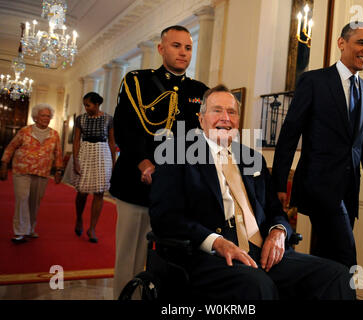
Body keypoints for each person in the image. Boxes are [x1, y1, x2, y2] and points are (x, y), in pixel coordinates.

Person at [149, 84, 356, 300]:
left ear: (238, 121)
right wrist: (216, 242)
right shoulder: (176, 154)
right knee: (258, 286)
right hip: (209, 255)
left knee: (337, 275)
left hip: (262, 252)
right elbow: (165, 217)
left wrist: (278, 232)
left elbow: (276, 211)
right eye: (217, 110)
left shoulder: (253, 160)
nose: (225, 118)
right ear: (201, 119)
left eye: (232, 112)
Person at [272, 22, 363, 268]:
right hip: (318, 187)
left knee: (325, 259)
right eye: (361, 42)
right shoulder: (314, 81)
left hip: (349, 191)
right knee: (347, 257)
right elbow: (289, 134)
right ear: (342, 43)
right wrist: (279, 184)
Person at [110, 25, 209, 299]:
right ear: (161, 48)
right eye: (176, 46)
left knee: (169, 256)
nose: (183, 52)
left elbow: (198, 140)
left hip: (176, 191)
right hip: (136, 182)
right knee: (130, 254)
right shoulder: (136, 81)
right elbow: (126, 127)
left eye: (188, 47)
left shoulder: (199, 91)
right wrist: (143, 163)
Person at [0, 103, 63, 243]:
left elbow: (58, 153)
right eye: (43, 115)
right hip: (22, 170)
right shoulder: (25, 131)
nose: (46, 118)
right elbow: (10, 148)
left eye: (48, 116)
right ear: (35, 117)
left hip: (42, 171)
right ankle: (19, 231)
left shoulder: (54, 134)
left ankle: (30, 229)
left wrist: (59, 169)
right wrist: (4, 164)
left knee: (34, 202)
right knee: (22, 198)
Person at [71, 92, 116, 243]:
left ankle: (92, 228)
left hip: (102, 154)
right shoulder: (80, 119)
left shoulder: (108, 119)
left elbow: (111, 142)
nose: (86, 108)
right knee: (82, 191)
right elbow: (76, 141)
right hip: (85, 153)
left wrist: (113, 162)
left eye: (88, 105)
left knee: (99, 192)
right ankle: (79, 219)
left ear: (97, 105)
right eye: (84, 105)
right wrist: (75, 160)